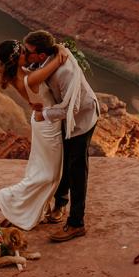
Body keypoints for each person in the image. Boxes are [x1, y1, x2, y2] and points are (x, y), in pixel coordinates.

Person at [22, 30, 99, 243]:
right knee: (62, 162)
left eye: (28, 51)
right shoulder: (48, 60)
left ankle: (76, 223)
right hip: (65, 120)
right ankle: (60, 205)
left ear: (40, 54)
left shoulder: (65, 72)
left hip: (81, 120)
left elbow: (72, 108)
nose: (24, 54)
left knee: (76, 170)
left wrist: (44, 114)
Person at [0, 38, 69, 231]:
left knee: (42, 170)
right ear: (17, 59)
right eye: (24, 52)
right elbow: (59, 59)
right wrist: (58, 47)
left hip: (43, 120)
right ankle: (6, 197)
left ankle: (32, 209)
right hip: (48, 126)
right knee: (49, 174)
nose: (29, 54)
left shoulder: (21, 73)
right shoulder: (30, 78)